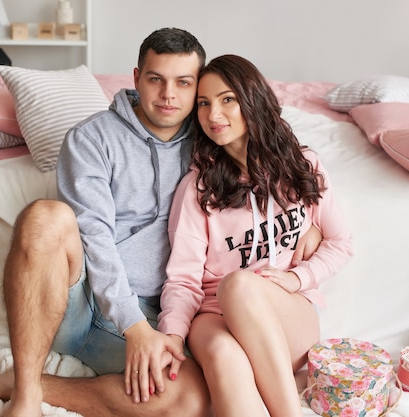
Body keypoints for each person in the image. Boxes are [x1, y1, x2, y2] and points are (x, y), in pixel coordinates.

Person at [0, 30, 321, 417]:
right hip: (79, 303)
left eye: (184, 83)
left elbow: (272, 164)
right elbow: (93, 236)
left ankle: (28, 384)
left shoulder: (211, 138)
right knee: (45, 216)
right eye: (155, 79)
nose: (168, 95)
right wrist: (135, 329)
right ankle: (26, 396)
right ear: (136, 77)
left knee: (190, 398)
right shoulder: (92, 137)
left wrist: (308, 222)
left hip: (157, 313)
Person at [151, 55, 354, 417]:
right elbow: (183, 280)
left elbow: (342, 243)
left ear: (252, 100)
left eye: (227, 99)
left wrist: (297, 278)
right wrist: (172, 335)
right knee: (221, 351)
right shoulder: (198, 189)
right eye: (203, 103)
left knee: (239, 285)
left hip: (285, 315)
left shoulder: (302, 167)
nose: (214, 114)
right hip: (214, 317)